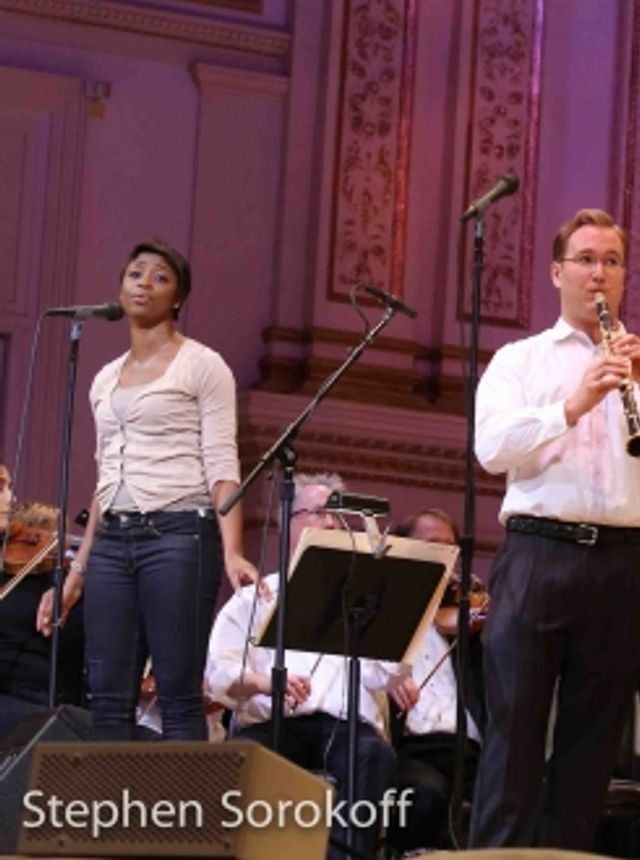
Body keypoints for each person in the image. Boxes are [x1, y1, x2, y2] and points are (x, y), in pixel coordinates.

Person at [469, 208, 640, 850]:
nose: (598, 273)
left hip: (620, 563)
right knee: (513, 736)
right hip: (537, 555)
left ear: (624, 275)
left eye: (611, 261)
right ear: (557, 272)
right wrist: (572, 405)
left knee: (592, 748)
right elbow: (491, 448)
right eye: (585, 259)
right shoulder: (519, 360)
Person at [39, 240, 258, 740]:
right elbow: (105, 479)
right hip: (113, 542)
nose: (144, 284)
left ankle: (179, 796)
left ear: (178, 298)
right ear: (120, 286)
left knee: (176, 692)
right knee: (108, 697)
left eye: (160, 277)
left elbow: (222, 462)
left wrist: (232, 550)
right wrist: (78, 569)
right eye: (135, 274)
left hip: (179, 535)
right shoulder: (104, 379)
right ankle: (113, 796)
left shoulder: (202, 365)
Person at [206, 472, 407, 860]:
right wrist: (267, 683)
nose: (330, 523)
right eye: (318, 513)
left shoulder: (360, 599)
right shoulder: (256, 597)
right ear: (288, 522)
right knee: (244, 755)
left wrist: (392, 625)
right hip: (273, 723)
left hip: (344, 725)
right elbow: (218, 674)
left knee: (374, 755)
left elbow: (385, 674)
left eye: (336, 516)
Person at [385, 506, 486, 856]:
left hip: (468, 750)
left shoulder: (463, 623)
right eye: (431, 545)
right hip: (412, 748)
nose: (443, 556)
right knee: (423, 794)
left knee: (518, 796)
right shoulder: (380, 614)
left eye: (449, 548)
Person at [0, 499, 85, 740]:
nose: (51, 543)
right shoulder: (63, 588)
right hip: (31, 704)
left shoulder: (64, 587)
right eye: (33, 537)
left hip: (45, 704)